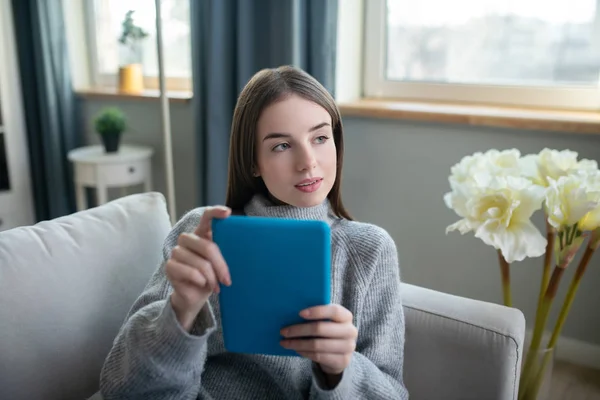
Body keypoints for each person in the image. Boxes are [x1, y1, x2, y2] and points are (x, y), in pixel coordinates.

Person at [99, 65, 409, 400]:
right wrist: (181, 310)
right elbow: (120, 387)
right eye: (281, 146)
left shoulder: (370, 250)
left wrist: (340, 371)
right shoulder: (202, 233)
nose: (308, 161)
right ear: (253, 162)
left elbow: (392, 393)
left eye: (320, 138)